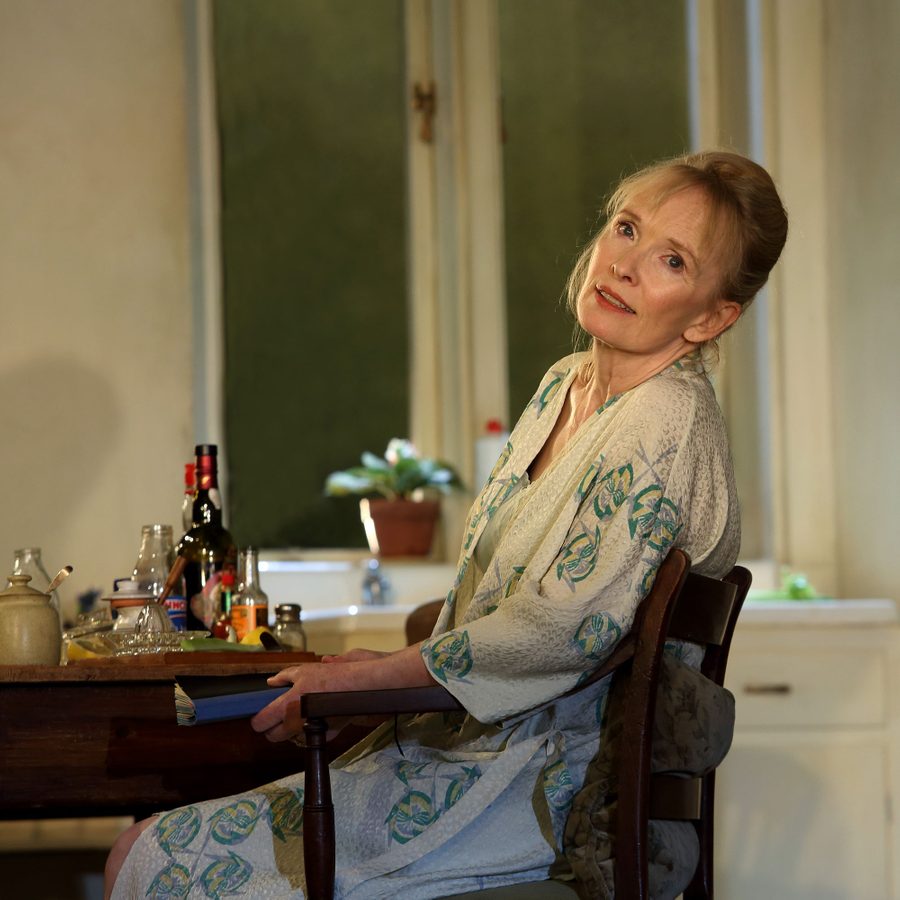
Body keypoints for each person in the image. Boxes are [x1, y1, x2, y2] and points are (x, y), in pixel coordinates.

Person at [106, 150, 788, 899]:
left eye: (672, 260)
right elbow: (499, 609)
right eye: (626, 229)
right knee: (141, 848)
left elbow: (557, 632)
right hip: (453, 754)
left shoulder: (666, 421)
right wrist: (384, 674)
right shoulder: (566, 384)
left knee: (151, 859)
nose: (624, 264)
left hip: (533, 792)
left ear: (712, 316)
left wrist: (378, 680)